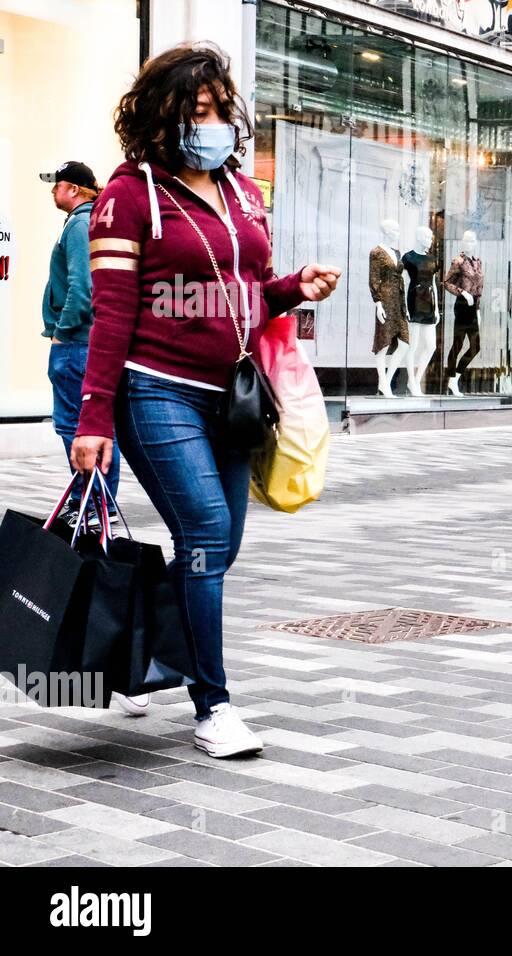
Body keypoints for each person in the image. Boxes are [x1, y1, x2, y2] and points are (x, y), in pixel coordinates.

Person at [70, 43, 340, 757]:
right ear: (160, 115)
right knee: (206, 536)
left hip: (234, 399)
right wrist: (94, 415)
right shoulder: (128, 198)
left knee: (216, 550)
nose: (212, 122)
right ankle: (212, 707)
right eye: (197, 111)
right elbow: (113, 313)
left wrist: (293, 288)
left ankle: (143, 656)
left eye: (221, 110)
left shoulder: (243, 190)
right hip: (155, 390)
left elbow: (247, 285)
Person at [40, 160, 121, 524]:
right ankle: (90, 502)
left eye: (57, 185)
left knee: (76, 426)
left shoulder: (78, 224)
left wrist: (61, 331)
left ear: (73, 189)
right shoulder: (89, 221)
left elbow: (81, 287)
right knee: (86, 425)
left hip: (74, 343)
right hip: (81, 342)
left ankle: (93, 504)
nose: (53, 190)